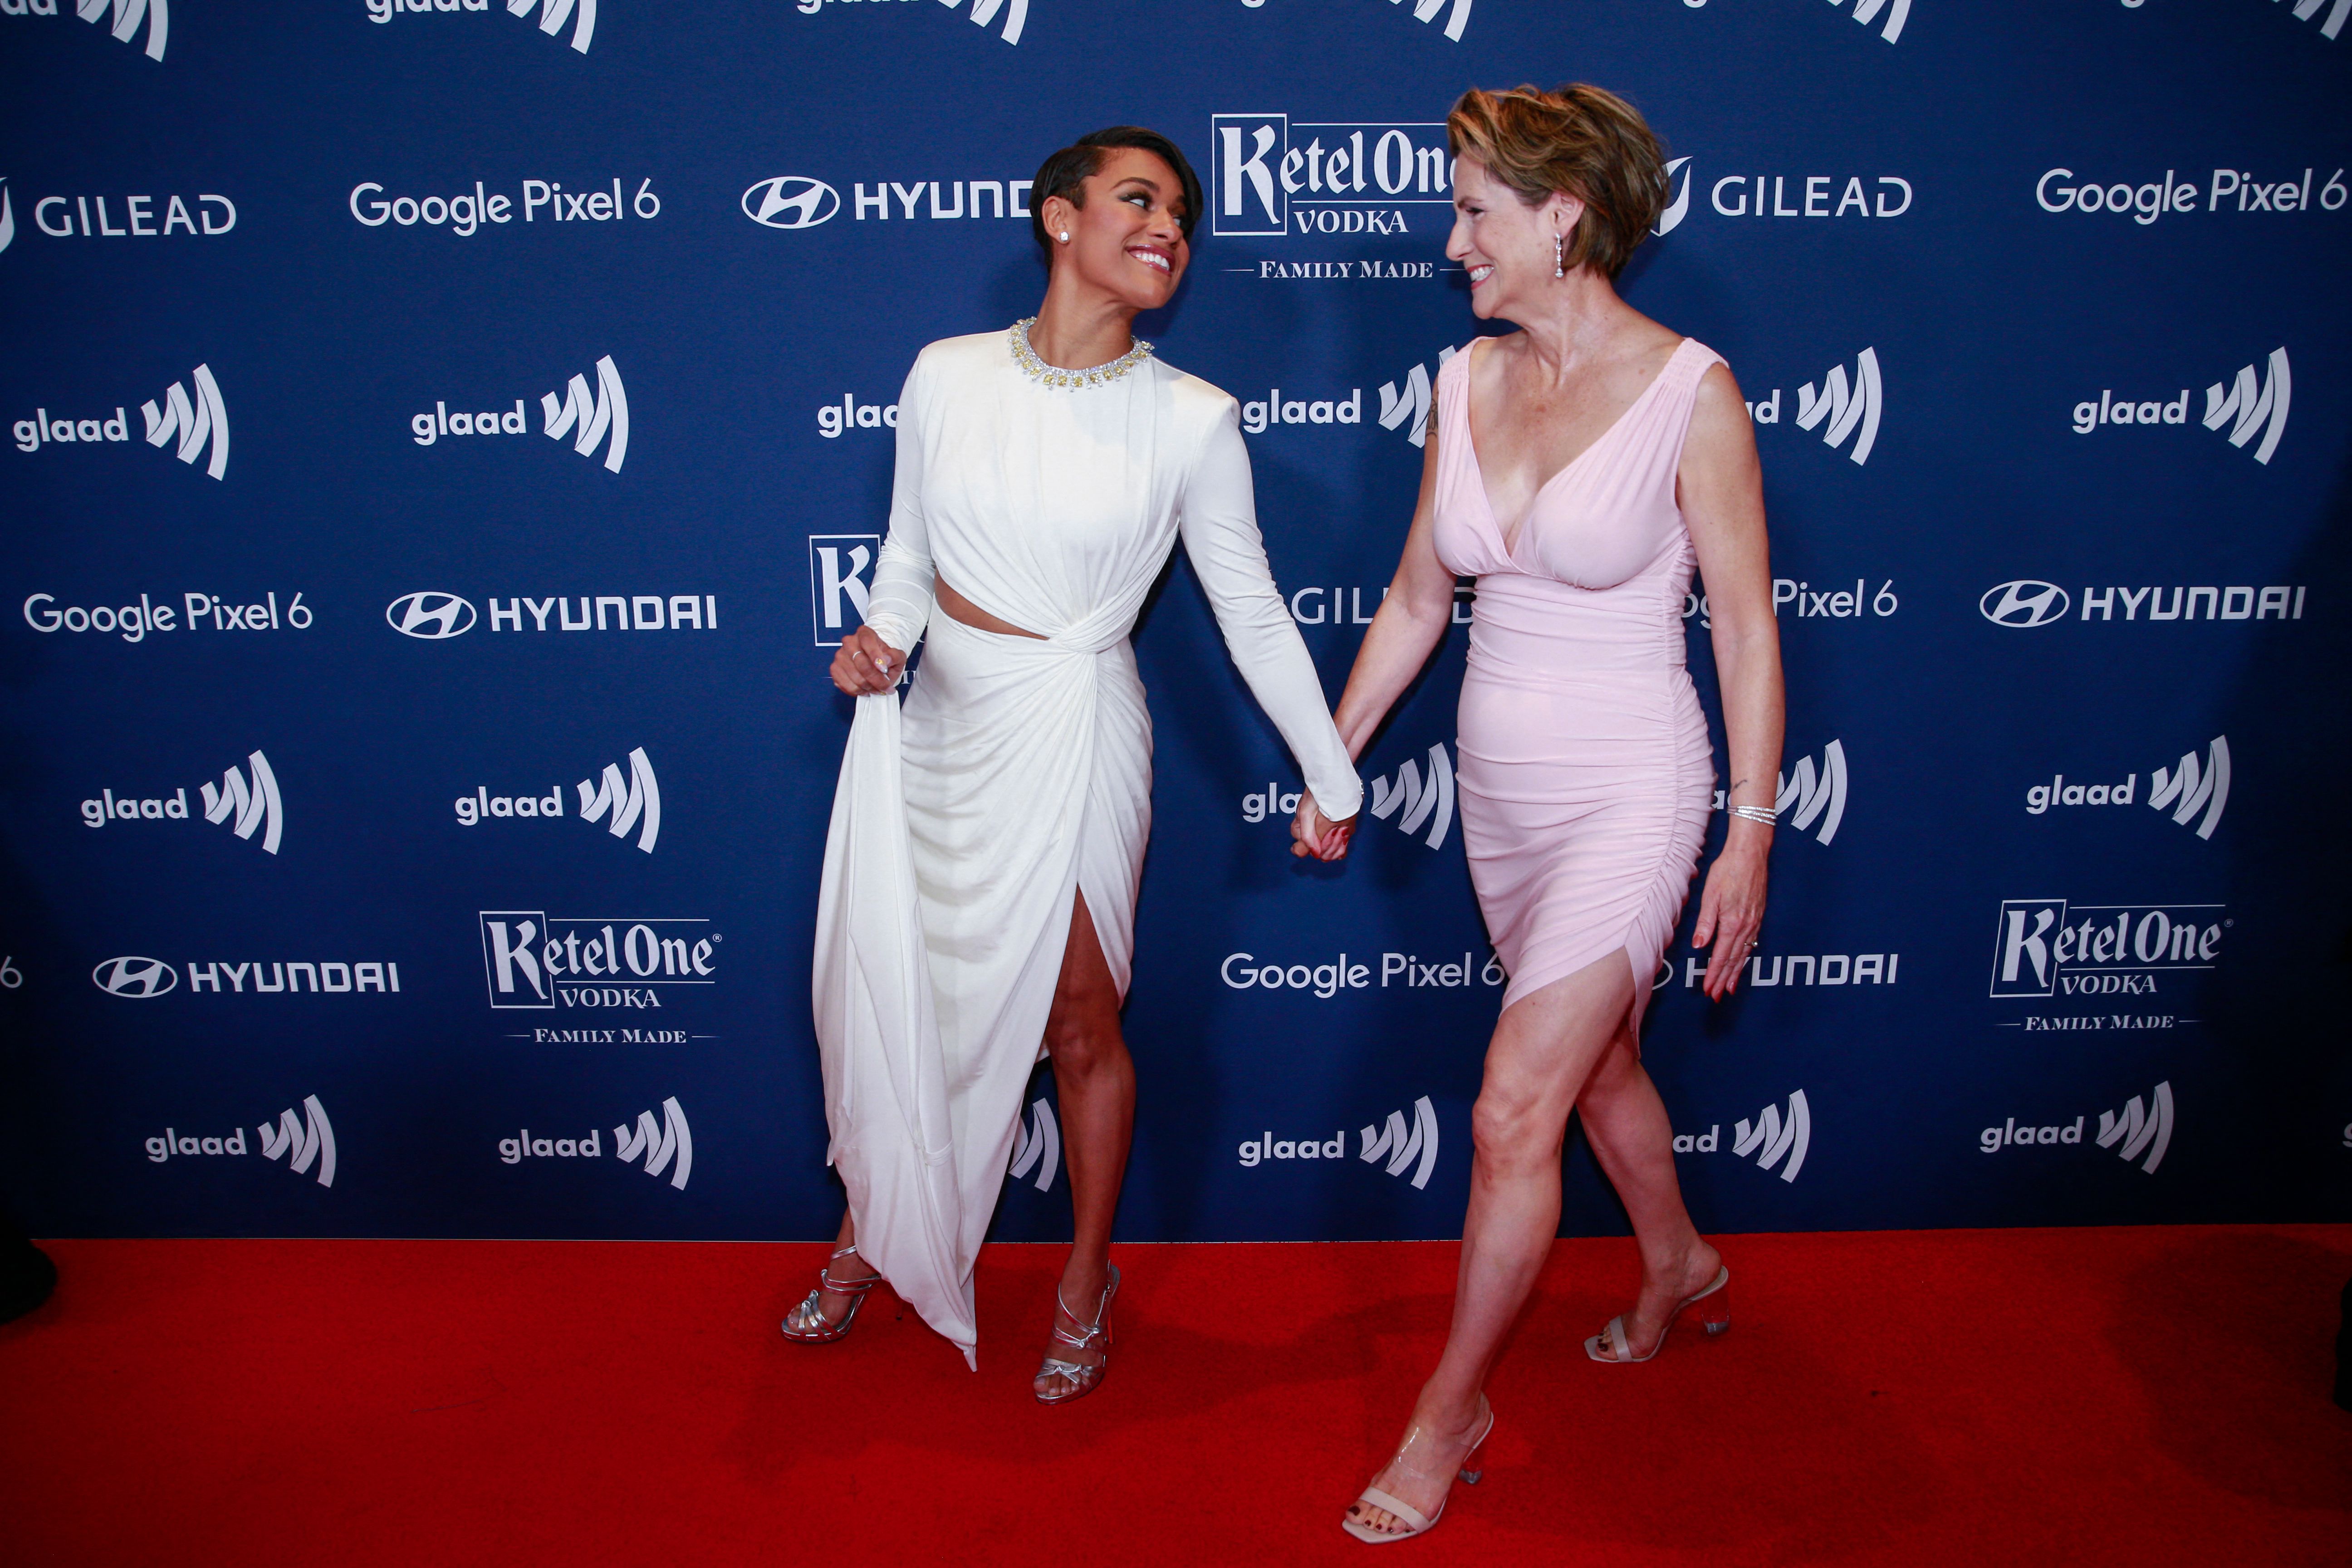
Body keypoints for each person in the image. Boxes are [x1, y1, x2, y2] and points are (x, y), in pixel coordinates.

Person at [795, 127, 1362, 1403]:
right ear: (1060, 217)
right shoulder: (943, 375)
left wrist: (1335, 776)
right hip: (943, 725)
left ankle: (1083, 1275)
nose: (1168, 227)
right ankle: (874, 1231)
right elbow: (906, 554)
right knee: (912, 994)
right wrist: (883, 639)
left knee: (1078, 1017)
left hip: (1077, 724)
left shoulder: (1194, 419)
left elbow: (1253, 613)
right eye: (1138, 199)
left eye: (1183, 216)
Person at [1300, 85, 1784, 1541]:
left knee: (1518, 1102)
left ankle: (1450, 1412)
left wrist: (1750, 829)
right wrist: (1338, 755)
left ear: (1561, 213)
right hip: (1500, 806)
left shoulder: (1694, 391)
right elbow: (1414, 597)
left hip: (1637, 785)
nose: (1453, 243)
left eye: (1473, 211)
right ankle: (1682, 1260)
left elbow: (1749, 629)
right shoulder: (1463, 380)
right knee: (1605, 1061)